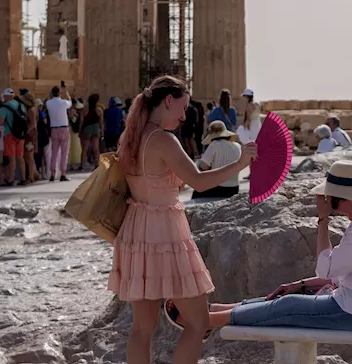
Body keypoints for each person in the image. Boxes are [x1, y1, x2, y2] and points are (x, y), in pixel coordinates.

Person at [108, 75, 256, 364]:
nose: (184, 115)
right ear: (167, 101)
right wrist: (239, 164)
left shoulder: (131, 136)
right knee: (198, 322)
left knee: (142, 327)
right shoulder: (163, 139)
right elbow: (199, 182)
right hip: (165, 232)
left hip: (136, 230)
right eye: (183, 107)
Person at [187, 161, 352, 334]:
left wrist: (322, 220)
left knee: (288, 306)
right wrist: (300, 284)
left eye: (334, 201)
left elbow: (325, 270)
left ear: (350, 197)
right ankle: (219, 309)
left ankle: (205, 322)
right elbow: (343, 275)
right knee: (290, 294)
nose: (335, 208)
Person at [195, 121, 243, 199]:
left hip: (218, 187)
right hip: (234, 187)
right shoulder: (237, 146)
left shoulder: (214, 145)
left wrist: (199, 162)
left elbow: (204, 166)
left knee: (196, 192)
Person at [0, 89, 28, 186]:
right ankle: (23, 179)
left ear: (6, 97)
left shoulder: (5, 107)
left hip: (9, 134)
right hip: (21, 135)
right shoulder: (21, 106)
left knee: (11, 158)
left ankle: (10, 180)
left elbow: (0, 122)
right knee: (20, 157)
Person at [45, 84, 73, 182]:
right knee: (64, 152)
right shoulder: (64, 102)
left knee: (54, 152)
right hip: (64, 128)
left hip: (54, 129)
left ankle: (52, 173)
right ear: (59, 93)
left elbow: (49, 100)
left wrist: (51, 95)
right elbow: (70, 102)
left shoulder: (48, 103)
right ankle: (63, 173)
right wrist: (66, 92)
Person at [81, 93, 102, 169]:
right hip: (96, 128)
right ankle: (97, 164)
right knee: (96, 148)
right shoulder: (99, 110)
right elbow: (101, 123)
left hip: (87, 128)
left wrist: (80, 131)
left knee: (85, 148)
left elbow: (81, 121)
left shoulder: (85, 109)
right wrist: (102, 132)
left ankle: (82, 165)